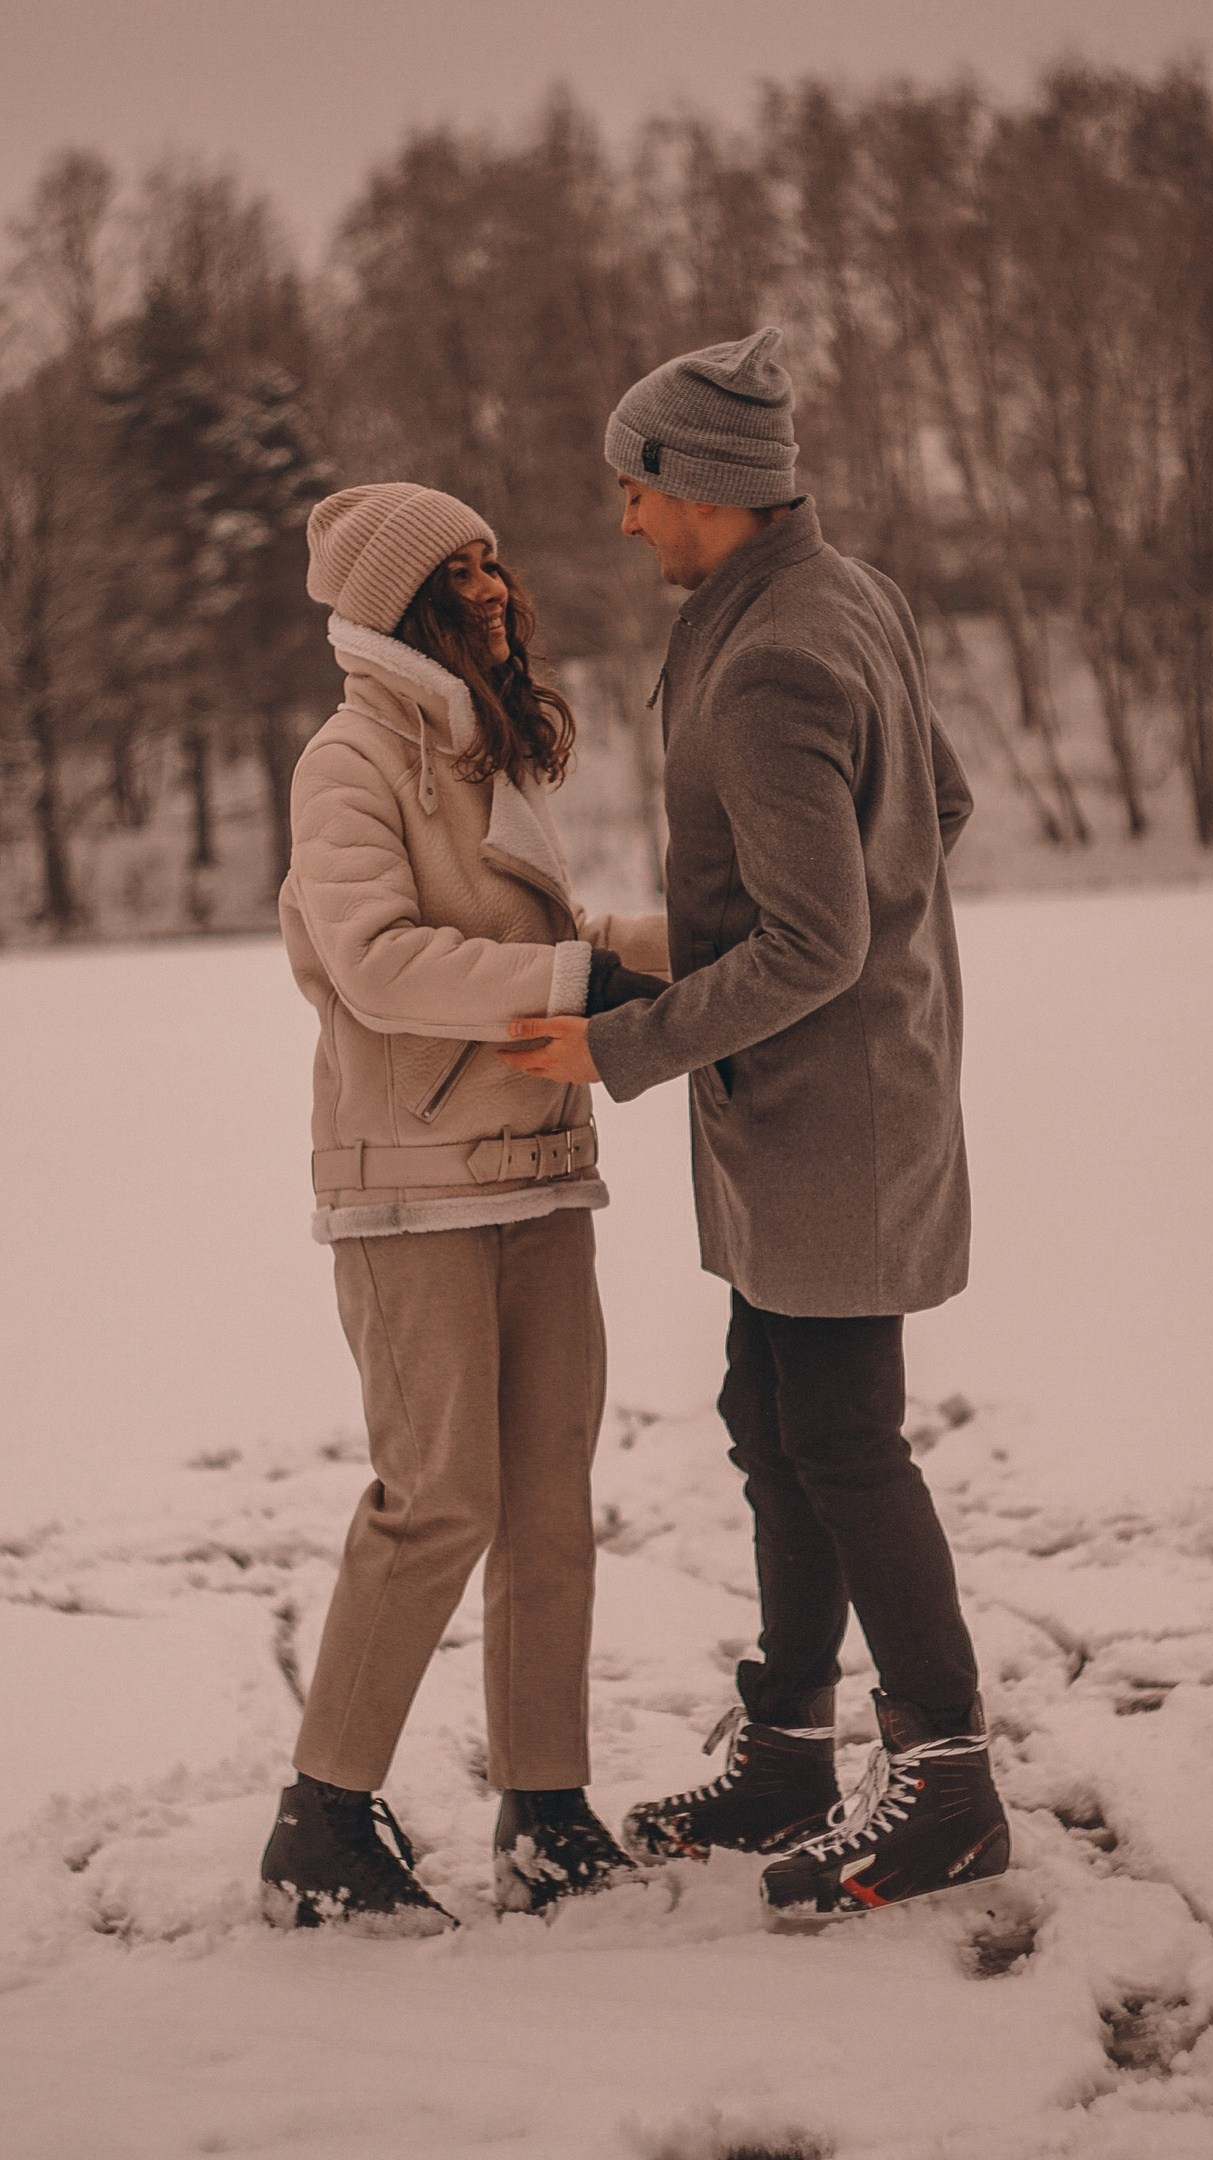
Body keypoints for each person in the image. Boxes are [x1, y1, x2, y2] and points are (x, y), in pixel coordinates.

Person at [501, 328, 1010, 1925]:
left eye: (637, 491)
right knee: (767, 1414)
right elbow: (934, 808)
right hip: (811, 1106)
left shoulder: (780, 648)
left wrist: (623, 1046)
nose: (626, 521)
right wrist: (696, 932)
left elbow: (819, 941)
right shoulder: (833, 594)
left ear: (704, 494)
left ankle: (950, 1782)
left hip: (829, 1120)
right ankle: (790, 1742)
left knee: (844, 1438)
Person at [260, 481, 667, 1931]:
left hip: (541, 1166)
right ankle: (321, 1820)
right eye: (460, 569)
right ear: (397, 604)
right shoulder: (351, 758)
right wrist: (573, 983)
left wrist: (677, 946)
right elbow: (379, 961)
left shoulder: (487, 748)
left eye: (497, 558)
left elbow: (537, 938)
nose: (494, 587)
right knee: (441, 1501)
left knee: (550, 1501)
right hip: (411, 1185)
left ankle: (545, 1808)